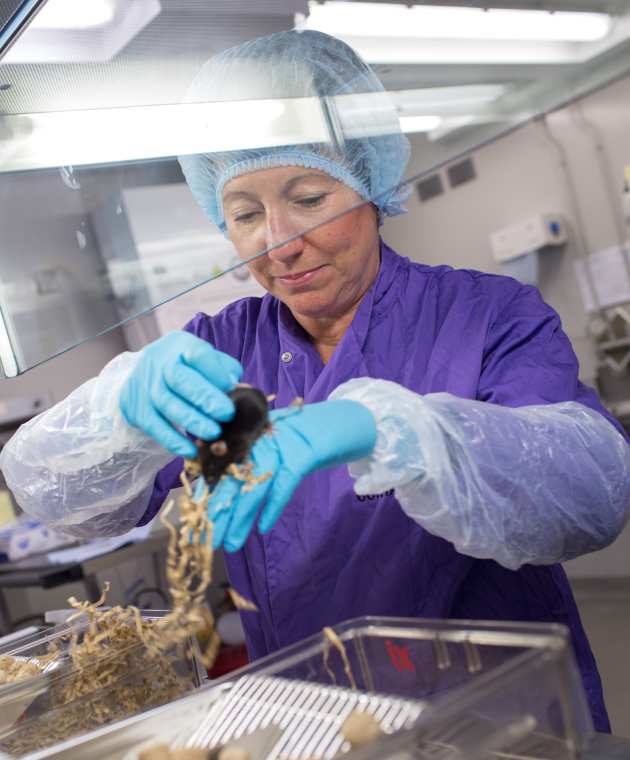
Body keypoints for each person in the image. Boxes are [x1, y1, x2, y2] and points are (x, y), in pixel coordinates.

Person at [2, 30, 629, 732]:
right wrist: (114, 411)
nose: (279, 241)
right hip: (311, 723)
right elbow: (53, 497)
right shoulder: (220, 349)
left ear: (369, 184)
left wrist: (402, 434)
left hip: (502, 722)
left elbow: (592, 493)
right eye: (244, 214)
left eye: (307, 197)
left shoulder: (486, 316)